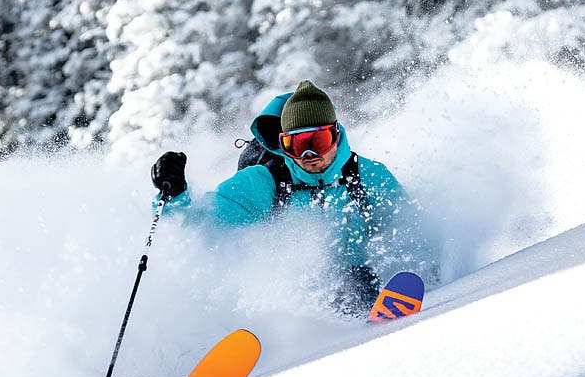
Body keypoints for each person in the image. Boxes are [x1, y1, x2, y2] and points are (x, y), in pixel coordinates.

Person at [150, 80, 434, 316]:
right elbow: (202, 227)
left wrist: (429, 273)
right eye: (297, 144)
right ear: (284, 145)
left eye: (317, 142)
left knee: (356, 281)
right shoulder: (263, 182)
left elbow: (414, 232)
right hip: (292, 294)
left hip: (360, 280)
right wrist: (175, 197)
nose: (309, 156)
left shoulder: (368, 177)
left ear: (336, 135)